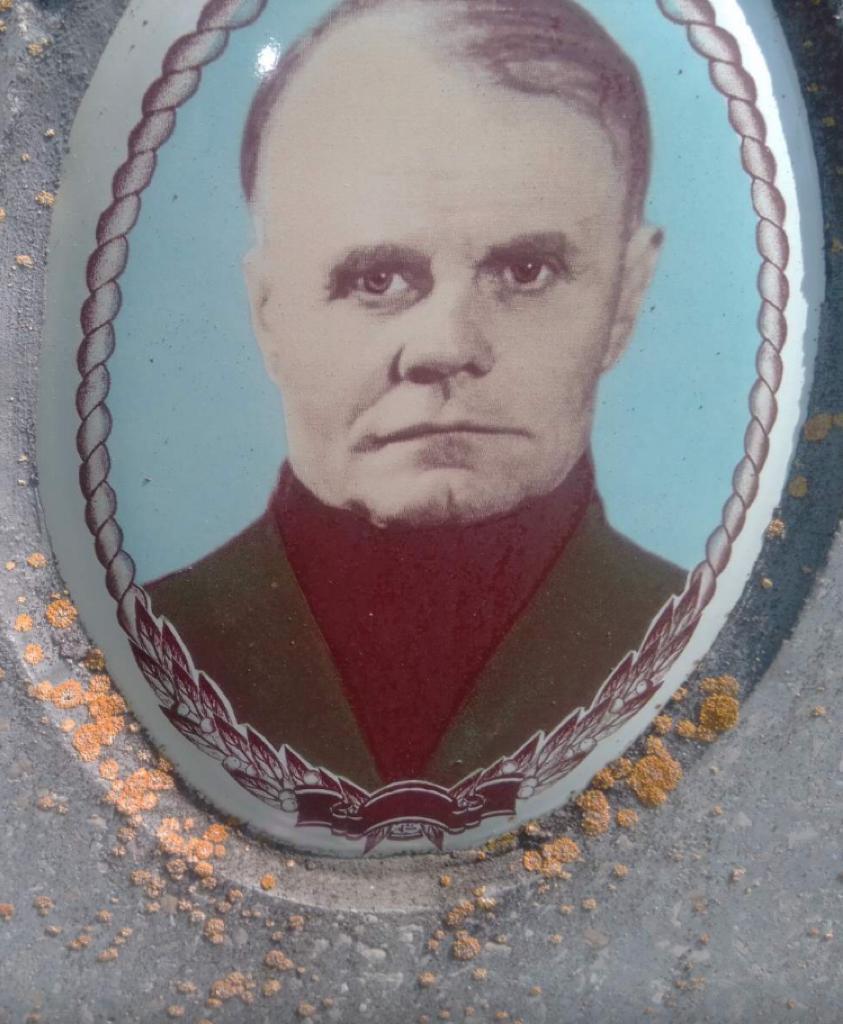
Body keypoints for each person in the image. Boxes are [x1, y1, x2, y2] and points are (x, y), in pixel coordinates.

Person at [145, 0, 686, 792]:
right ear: (269, 315)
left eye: (525, 271)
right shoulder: (141, 645)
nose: (445, 347)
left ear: (626, 297)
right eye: (377, 278)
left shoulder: (700, 641)